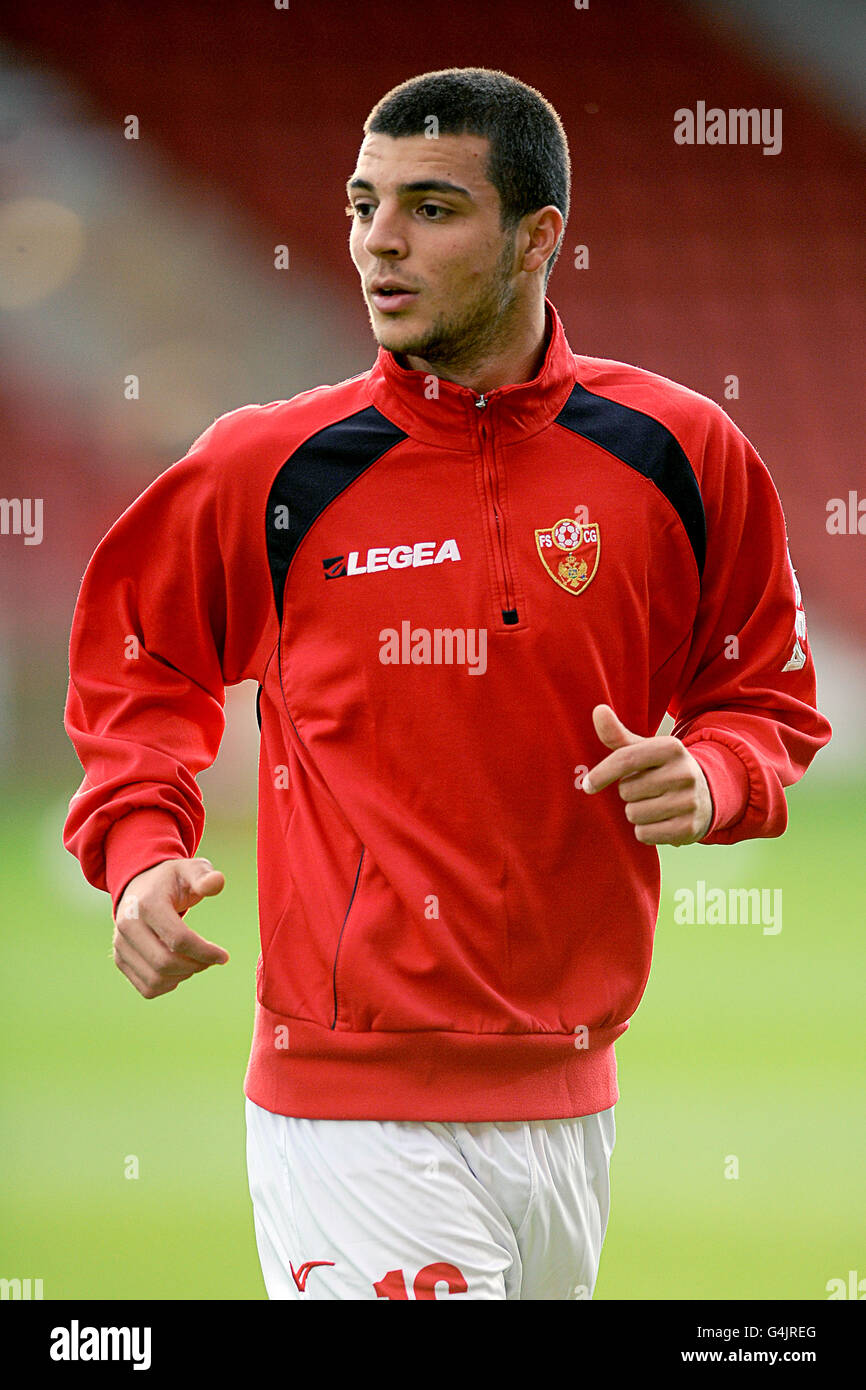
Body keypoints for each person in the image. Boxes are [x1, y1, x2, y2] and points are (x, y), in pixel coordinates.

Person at [62, 67, 832, 1301]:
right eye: (363, 204)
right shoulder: (271, 468)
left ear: (538, 238)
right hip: (352, 1115)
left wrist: (714, 771)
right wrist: (142, 845)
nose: (377, 241)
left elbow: (766, 696)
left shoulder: (680, 453)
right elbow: (135, 663)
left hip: (572, 1099)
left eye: (429, 207)